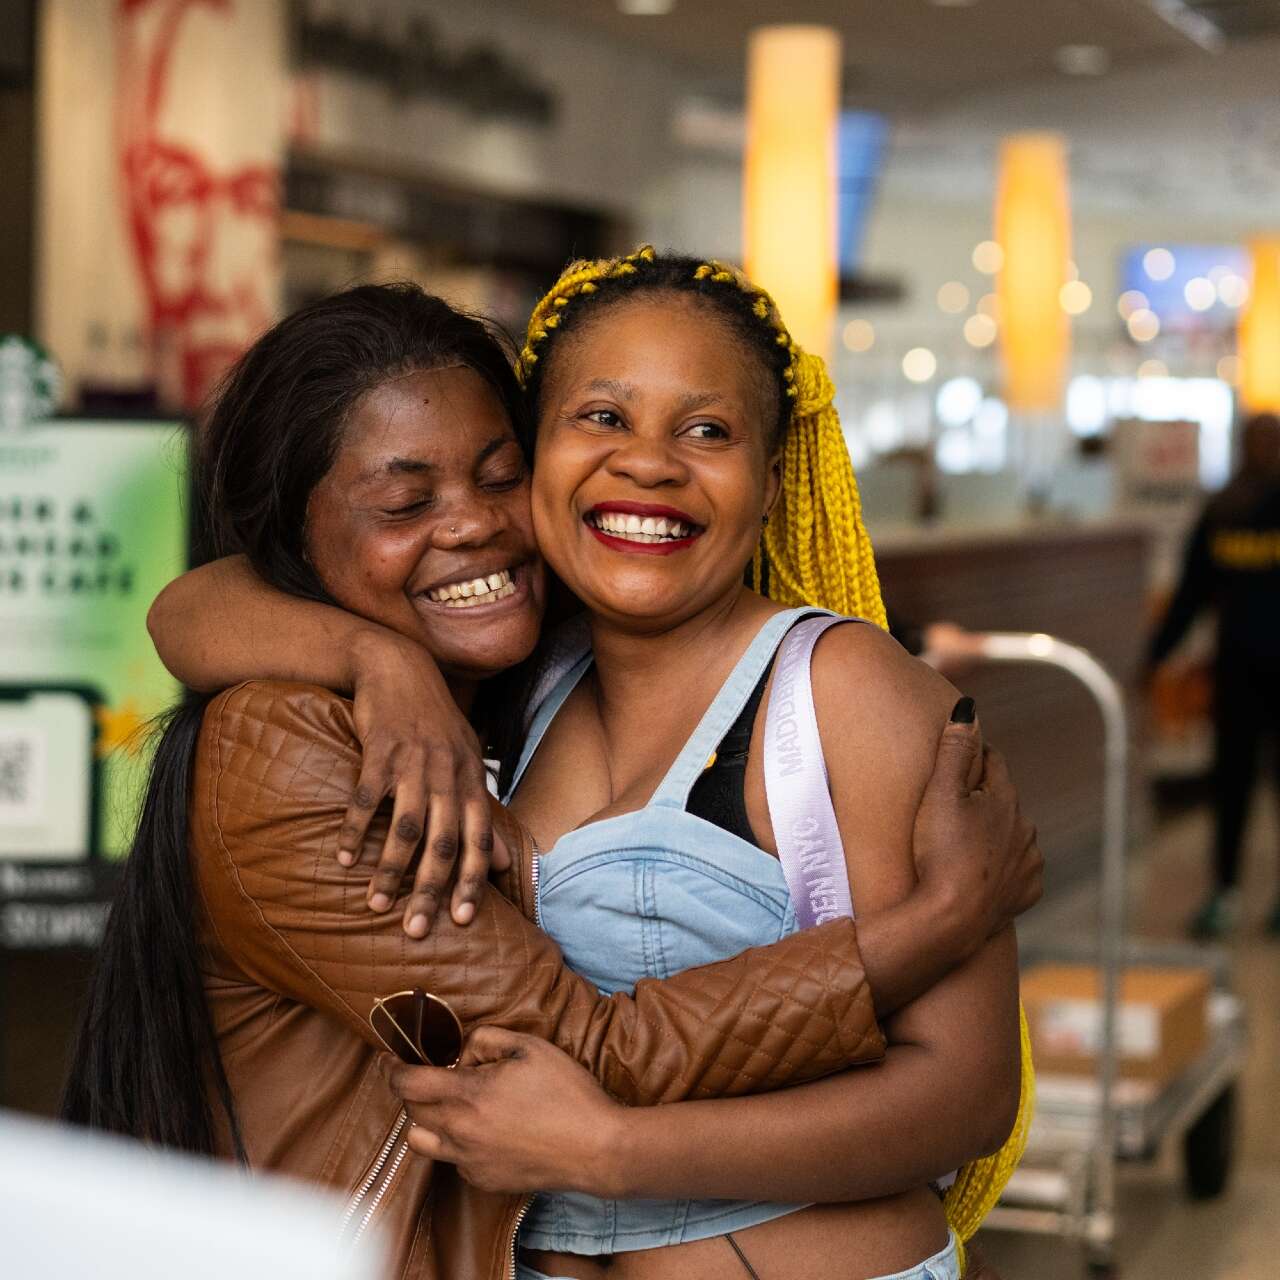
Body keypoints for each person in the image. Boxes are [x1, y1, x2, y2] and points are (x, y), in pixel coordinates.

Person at [67, 284, 1040, 1280]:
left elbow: (964, 1094)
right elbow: (190, 606)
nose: (649, 460)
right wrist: (377, 661)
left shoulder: (820, 689)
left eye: (707, 428)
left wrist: (613, 1151)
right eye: (602, 417)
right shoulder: (474, 693)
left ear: (769, 469)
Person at [1148, 411, 1280, 938]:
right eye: (1256, 441)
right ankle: (1224, 892)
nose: (1263, 450)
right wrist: (1156, 656)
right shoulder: (1223, 511)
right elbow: (1190, 593)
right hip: (1238, 674)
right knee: (1232, 787)